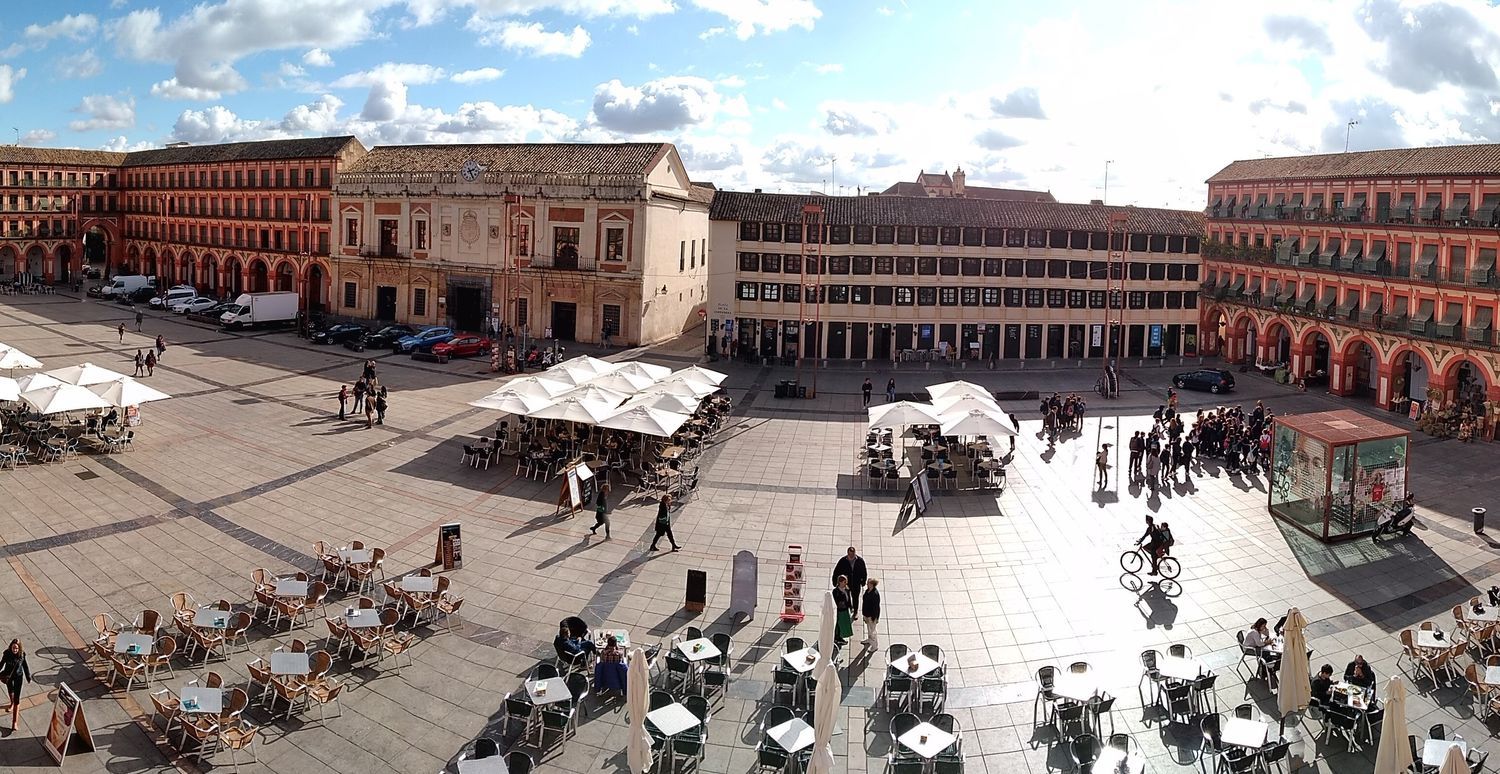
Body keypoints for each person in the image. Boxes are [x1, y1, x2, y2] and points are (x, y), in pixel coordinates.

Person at [0, 639, 31, 729]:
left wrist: (28, 676)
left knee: (17, 699)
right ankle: (11, 703)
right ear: (11, 647)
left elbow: (25, 666)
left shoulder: (22, 655)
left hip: (18, 677)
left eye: (17, 648)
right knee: (10, 691)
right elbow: (1, 664)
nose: (15, 649)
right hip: (8, 676)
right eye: (13, 647)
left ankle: (14, 722)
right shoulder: (7, 654)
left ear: (19, 648)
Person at [833, 547, 868, 617]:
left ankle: (855, 611)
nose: (851, 556)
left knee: (855, 598)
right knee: (847, 597)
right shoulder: (843, 561)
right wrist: (835, 581)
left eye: (853, 554)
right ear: (847, 553)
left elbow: (864, 572)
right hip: (846, 584)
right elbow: (836, 571)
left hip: (856, 583)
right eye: (850, 554)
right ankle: (849, 607)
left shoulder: (860, 561)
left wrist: (863, 581)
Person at [832, 575, 854, 646]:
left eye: (846, 582)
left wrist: (851, 607)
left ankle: (840, 636)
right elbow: (835, 602)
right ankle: (837, 638)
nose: (845, 583)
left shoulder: (846, 589)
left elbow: (849, 598)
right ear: (840, 582)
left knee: (844, 624)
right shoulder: (836, 591)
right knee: (839, 624)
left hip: (845, 610)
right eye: (844, 582)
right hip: (840, 610)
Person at [861, 578, 881, 650]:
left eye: (868, 583)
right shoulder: (867, 591)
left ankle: (875, 646)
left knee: (873, 631)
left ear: (872, 584)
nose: (867, 584)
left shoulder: (875, 594)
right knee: (869, 629)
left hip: (871, 616)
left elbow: (876, 607)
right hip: (866, 614)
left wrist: (874, 618)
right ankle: (869, 640)